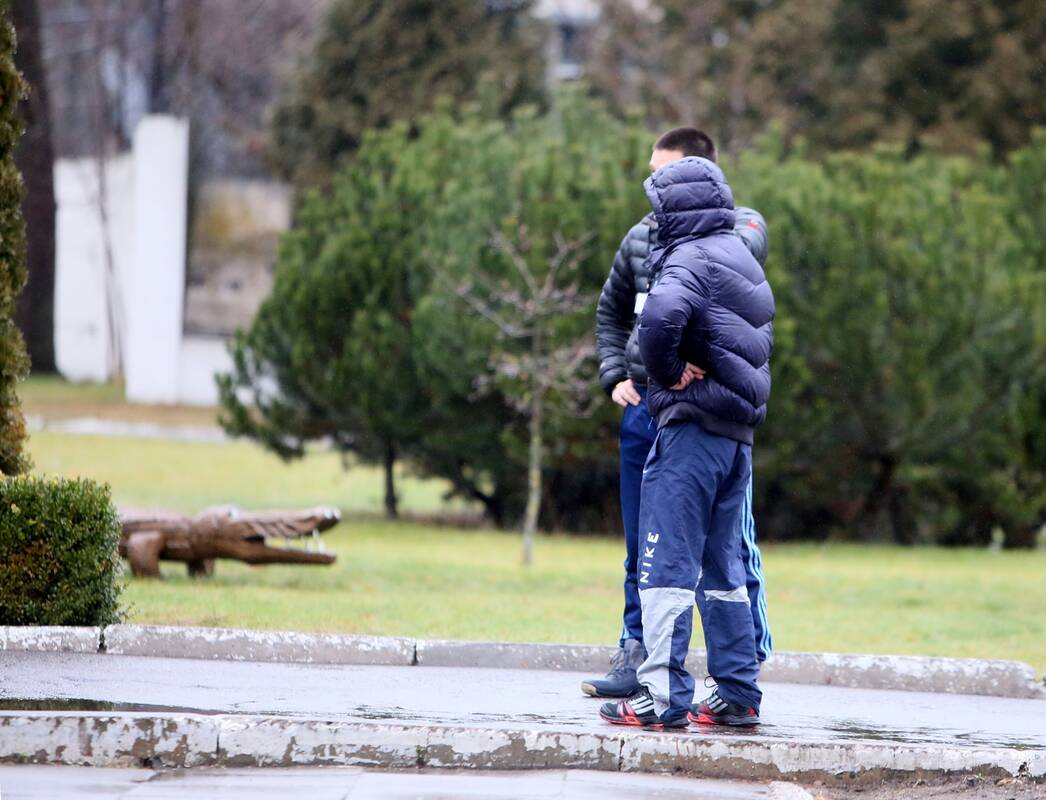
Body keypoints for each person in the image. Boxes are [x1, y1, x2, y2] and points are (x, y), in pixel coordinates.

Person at [585, 128, 771, 700]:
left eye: (663, 176)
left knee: (718, 554)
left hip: (697, 414)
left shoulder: (734, 233)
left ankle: (699, 681)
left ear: (696, 177)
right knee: (645, 545)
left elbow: (673, 311)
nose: (653, 187)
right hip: (650, 408)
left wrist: (666, 366)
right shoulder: (643, 238)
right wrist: (616, 374)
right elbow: (612, 312)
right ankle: (641, 654)